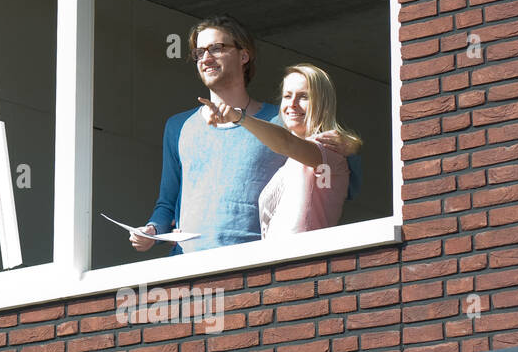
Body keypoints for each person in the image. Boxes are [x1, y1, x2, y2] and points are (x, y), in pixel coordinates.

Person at [131, 15, 358, 255]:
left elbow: (333, 169)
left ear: (244, 55)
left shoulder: (281, 122)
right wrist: (153, 230)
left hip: (252, 265)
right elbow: (167, 202)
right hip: (187, 266)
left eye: (216, 48)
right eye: (199, 52)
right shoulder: (178, 126)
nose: (205, 58)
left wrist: (349, 146)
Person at [199, 63, 361, 238]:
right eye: (287, 96)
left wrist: (239, 117)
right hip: (280, 260)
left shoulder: (329, 149)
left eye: (304, 97)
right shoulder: (291, 162)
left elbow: (286, 142)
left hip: (304, 259)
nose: (292, 104)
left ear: (322, 103)